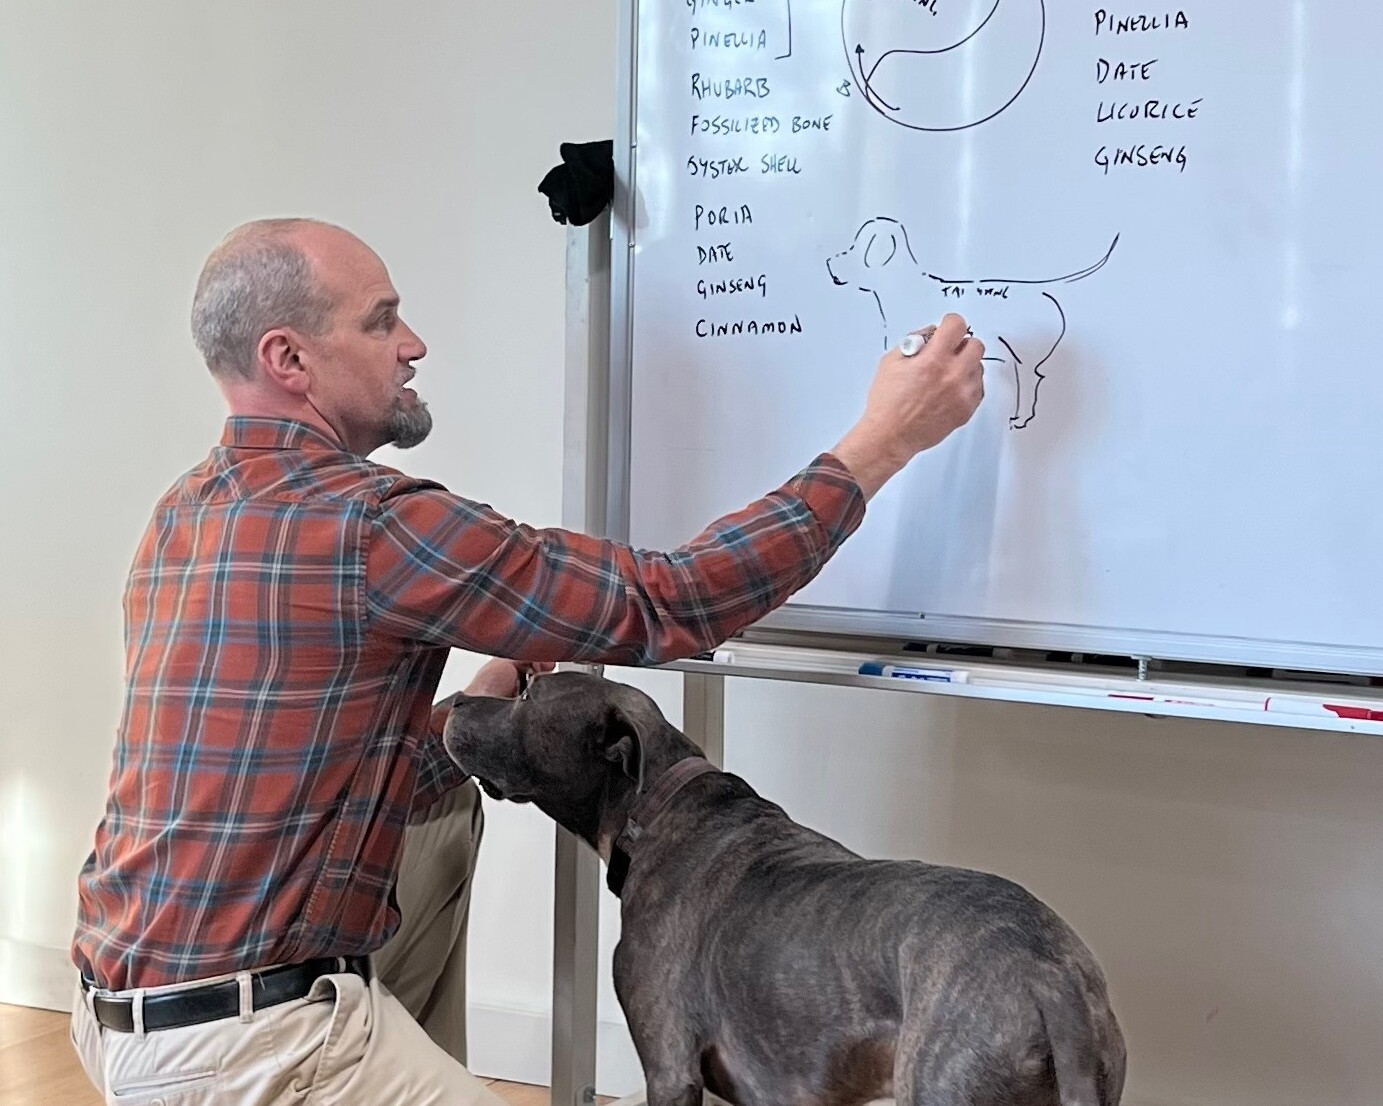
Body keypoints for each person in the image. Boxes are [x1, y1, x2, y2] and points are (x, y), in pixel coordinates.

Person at [68, 217, 985, 1105]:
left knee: (451, 801)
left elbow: (344, 768)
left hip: (119, 1006)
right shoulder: (372, 522)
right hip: (250, 1043)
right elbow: (675, 599)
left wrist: (493, 685)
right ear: (289, 359)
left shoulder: (186, 510)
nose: (412, 344)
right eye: (381, 320)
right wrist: (883, 440)